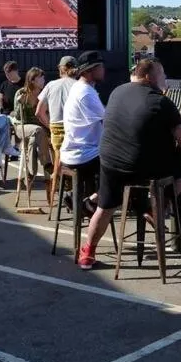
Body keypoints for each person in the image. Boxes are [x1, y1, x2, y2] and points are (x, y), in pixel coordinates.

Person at [78, 57, 181, 270]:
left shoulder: (116, 92)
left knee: (104, 208)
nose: (165, 79)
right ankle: (160, 205)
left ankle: (87, 252)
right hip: (145, 170)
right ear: (150, 77)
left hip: (111, 163)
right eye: (163, 75)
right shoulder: (161, 101)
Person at [61, 50, 107, 241]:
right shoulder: (86, 93)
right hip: (84, 154)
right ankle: (91, 201)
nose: (104, 69)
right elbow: (109, 123)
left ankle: (84, 199)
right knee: (125, 168)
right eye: (100, 66)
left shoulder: (82, 89)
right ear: (89, 71)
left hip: (77, 151)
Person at [37, 55, 78, 205]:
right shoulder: (79, 85)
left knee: (58, 156)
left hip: (56, 132)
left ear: (61, 69)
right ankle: (79, 194)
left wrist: (50, 126)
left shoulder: (51, 85)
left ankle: (59, 184)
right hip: (73, 132)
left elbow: (39, 112)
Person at [12, 67, 53, 178]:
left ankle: (31, 172)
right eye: (41, 77)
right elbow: (17, 117)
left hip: (38, 131)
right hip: (22, 126)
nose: (44, 79)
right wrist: (20, 102)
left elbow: (48, 114)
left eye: (44, 77)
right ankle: (47, 164)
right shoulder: (21, 93)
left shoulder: (44, 95)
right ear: (32, 80)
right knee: (38, 130)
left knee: (35, 137)